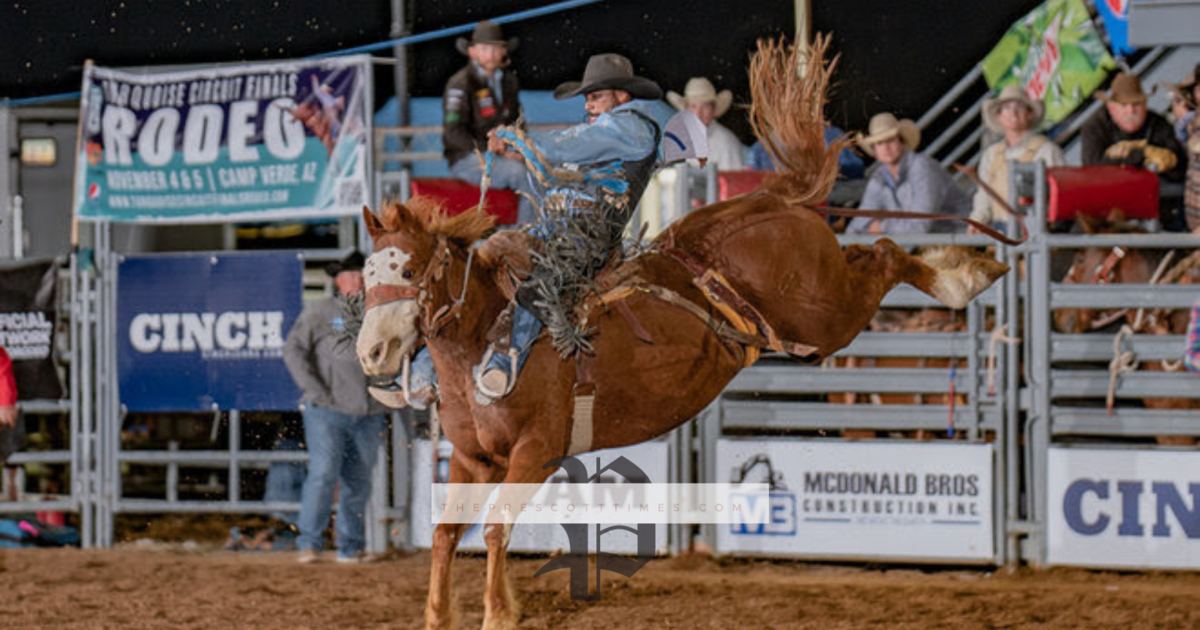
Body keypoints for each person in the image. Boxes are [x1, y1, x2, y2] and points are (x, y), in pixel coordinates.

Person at [391, 52, 663, 408]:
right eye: (588, 97)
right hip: (552, 229)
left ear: (622, 96)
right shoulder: (599, 131)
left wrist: (524, 142)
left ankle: (504, 363)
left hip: (588, 236)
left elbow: (575, 145)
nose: (589, 103)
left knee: (545, 282)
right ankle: (426, 370)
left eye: (596, 96)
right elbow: (571, 146)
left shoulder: (633, 129)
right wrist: (525, 152)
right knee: (481, 272)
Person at [283, 252, 389, 564]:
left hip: (369, 411)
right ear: (337, 280)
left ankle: (349, 546)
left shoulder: (379, 312)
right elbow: (293, 350)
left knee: (358, 480)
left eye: (360, 274)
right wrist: (316, 391)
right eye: (350, 275)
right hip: (328, 409)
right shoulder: (322, 312)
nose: (356, 280)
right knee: (324, 474)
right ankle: (310, 542)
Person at [442, 20, 536, 225]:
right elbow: (453, 133)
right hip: (466, 159)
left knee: (540, 167)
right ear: (473, 51)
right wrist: (494, 149)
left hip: (503, 155)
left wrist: (519, 149)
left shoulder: (509, 81)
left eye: (496, 49)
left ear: (503, 50)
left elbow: (518, 122)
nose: (492, 54)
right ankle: (527, 240)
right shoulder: (461, 83)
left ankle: (538, 232)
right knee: (521, 174)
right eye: (485, 49)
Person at [1080, 72, 1187, 231]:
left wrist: (1125, 158)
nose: (1130, 111)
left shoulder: (1159, 124)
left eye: (1136, 104)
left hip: (1156, 214)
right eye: (1124, 105)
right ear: (1111, 107)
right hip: (1107, 215)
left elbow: (1179, 169)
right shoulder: (1095, 127)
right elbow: (1093, 170)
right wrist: (1140, 154)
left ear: (1145, 103)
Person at [846, 112, 971, 234]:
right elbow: (862, 219)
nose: (886, 148)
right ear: (875, 150)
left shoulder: (922, 168)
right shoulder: (879, 177)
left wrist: (882, 227)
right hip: (926, 242)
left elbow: (920, 225)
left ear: (902, 142)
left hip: (959, 239)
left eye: (890, 140)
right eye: (879, 143)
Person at [969, 84, 1064, 229]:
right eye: (1007, 108)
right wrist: (977, 221)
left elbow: (1060, 194)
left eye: (1019, 108)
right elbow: (984, 195)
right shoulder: (992, 154)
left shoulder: (1047, 150)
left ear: (1030, 113)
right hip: (999, 227)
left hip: (1035, 228)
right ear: (1000, 116)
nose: (1013, 113)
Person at [666, 77, 744, 170]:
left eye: (705, 106)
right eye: (694, 106)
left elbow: (733, 182)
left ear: (713, 110)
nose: (698, 113)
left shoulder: (727, 143)